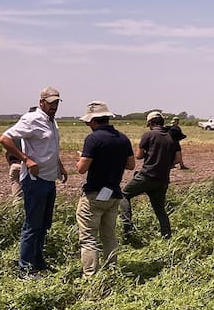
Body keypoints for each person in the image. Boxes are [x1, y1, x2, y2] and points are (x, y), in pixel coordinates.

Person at [0, 88, 68, 279]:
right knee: (32, 225)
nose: (54, 106)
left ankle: (38, 262)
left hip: (49, 178)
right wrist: (26, 160)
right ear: (41, 102)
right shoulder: (31, 119)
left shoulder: (52, 122)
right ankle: (25, 269)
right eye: (51, 103)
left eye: (56, 103)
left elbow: (50, 148)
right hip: (34, 180)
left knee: (44, 225)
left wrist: (60, 166)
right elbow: (4, 139)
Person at [75, 101, 135, 277]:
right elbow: (131, 165)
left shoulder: (93, 139)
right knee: (109, 236)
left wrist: (81, 158)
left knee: (88, 238)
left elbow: (81, 169)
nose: (88, 125)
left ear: (94, 120)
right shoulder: (123, 138)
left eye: (88, 122)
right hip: (113, 194)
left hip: (94, 194)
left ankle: (90, 276)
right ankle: (112, 270)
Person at [121, 110, 181, 240]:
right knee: (160, 209)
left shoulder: (148, 134)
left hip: (147, 176)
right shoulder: (173, 136)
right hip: (163, 179)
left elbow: (138, 156)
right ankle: (167, 236)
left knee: (124, 195)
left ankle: (127, 228)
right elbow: (177, 159)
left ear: (150, 123)